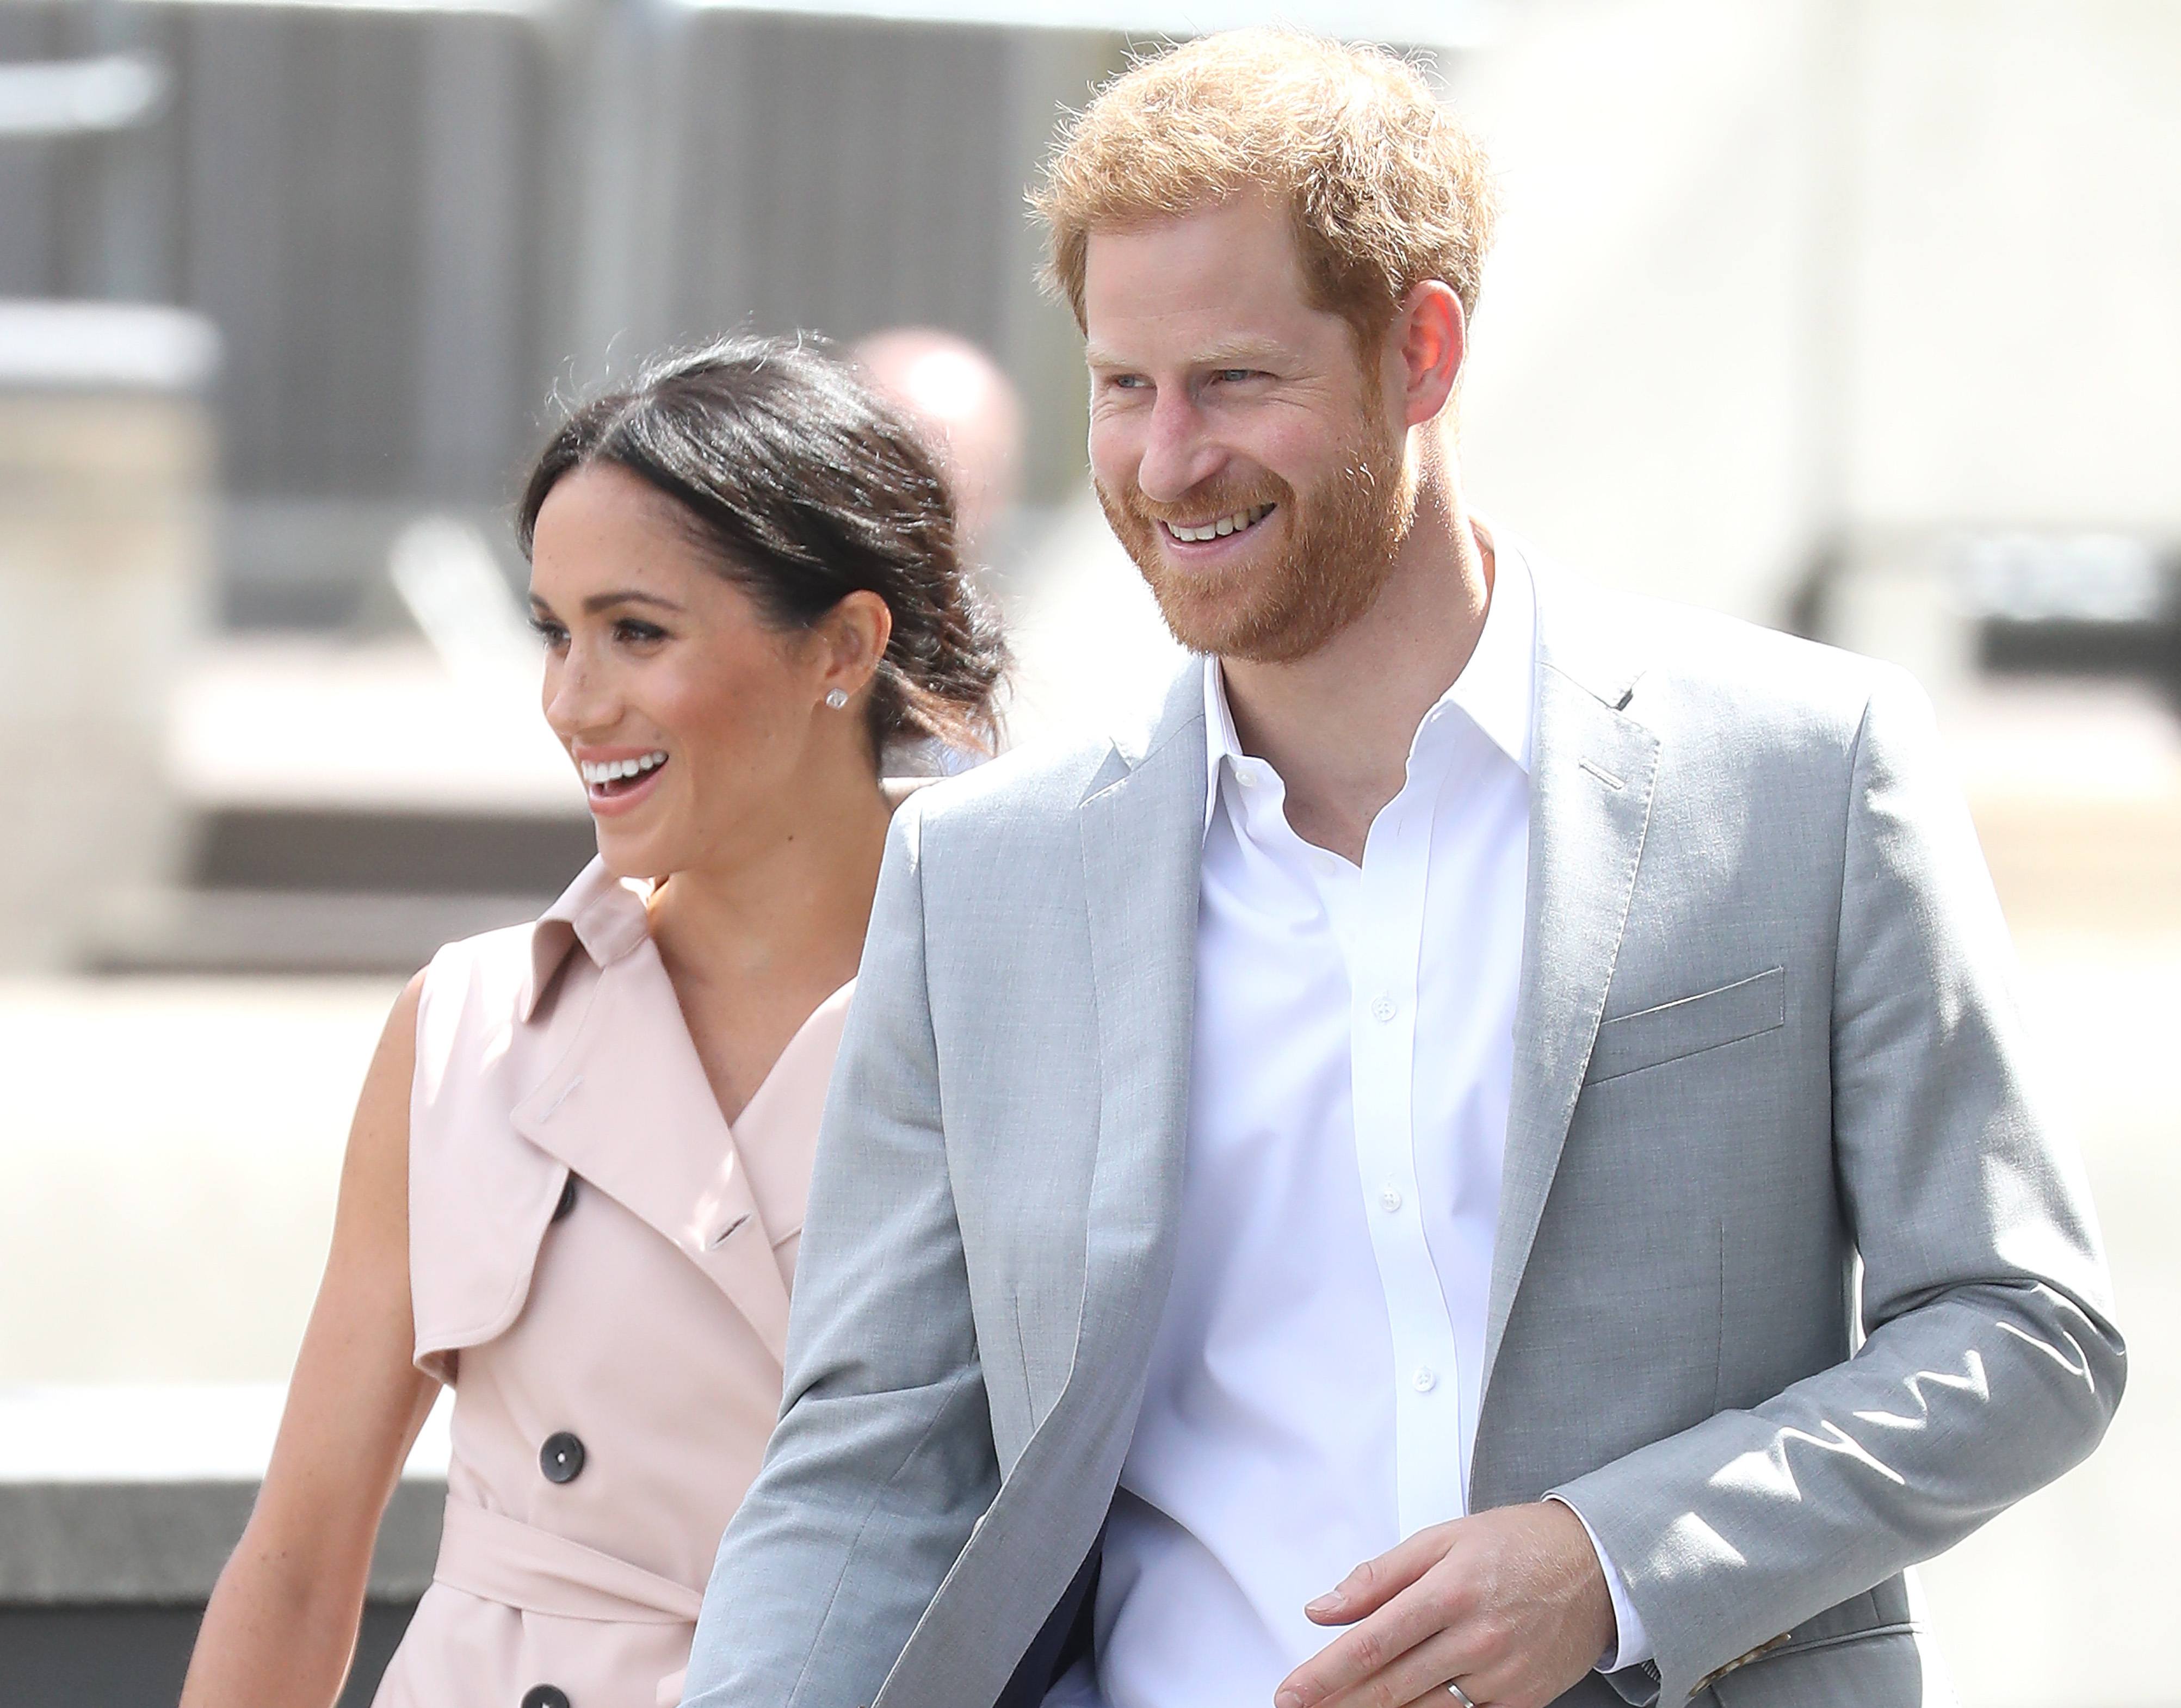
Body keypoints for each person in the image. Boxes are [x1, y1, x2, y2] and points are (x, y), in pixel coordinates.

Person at [681, 30, 2124, 1708]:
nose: (1166, 460)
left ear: (1419, 351)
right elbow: (866, 1464)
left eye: (1235, 380)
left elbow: (2026, 1324)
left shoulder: (1804, 772)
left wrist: (1613, 1564)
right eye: (1124, 385)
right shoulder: (980, 880)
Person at [180, 336, 1004, 1708]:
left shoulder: (1021, 1015)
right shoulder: (469, 1027)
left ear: (844, 647)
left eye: (636, 633)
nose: (572, 702)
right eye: (554, 633)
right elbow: (298, 1562)